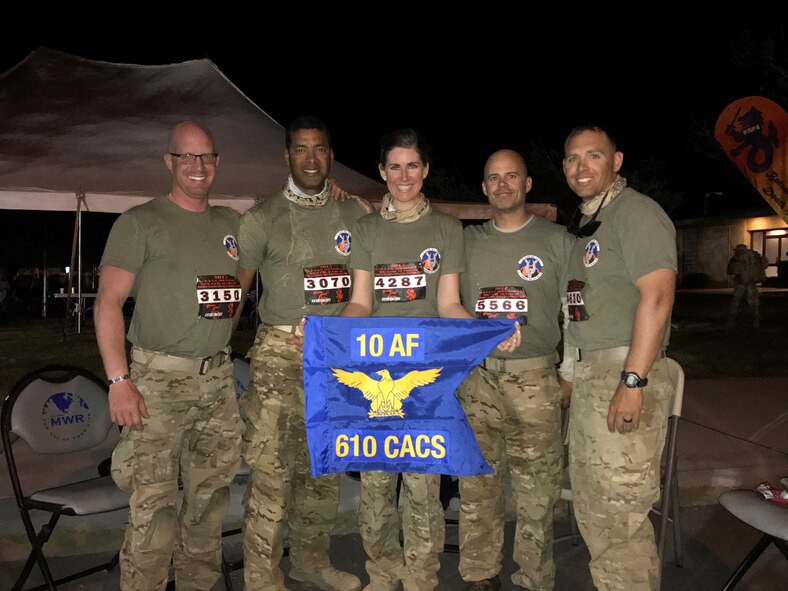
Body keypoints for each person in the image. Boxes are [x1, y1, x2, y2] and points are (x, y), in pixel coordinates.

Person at [341, 129, 520, 591]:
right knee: (378, 488)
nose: (404, 176)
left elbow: (448, 305)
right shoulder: (365, 230)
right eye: (394, 166)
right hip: (377, 375)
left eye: (413, 166)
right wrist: (328, 332)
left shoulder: (445, 228)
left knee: (423, 489)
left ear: (425, 171)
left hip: (427, 380)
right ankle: (382, 571)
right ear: (382, 172)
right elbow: (360, 304)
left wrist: (487, 331)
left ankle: (421, 577)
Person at [94, 120, 244, 590]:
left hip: (217, 382)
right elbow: (108, 304)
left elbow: (252, 272)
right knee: (154, 508)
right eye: (187, 156)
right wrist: (119, 381)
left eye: (207, 157)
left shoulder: (232, 224)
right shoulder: (139, 222)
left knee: (209, 503)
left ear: (217, 163)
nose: (198, 166)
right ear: (169, 161)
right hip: (157, 383)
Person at [236, 115, 369, 591]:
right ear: (286, 156)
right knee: (272, 473)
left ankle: (309, 561)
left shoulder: (355, 215)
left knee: (323, 469)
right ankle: (262, 577)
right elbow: (234, 296)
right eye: (300, 149)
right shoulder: (261, 218)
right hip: (279, 355)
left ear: (330, 156)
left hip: (337, 353)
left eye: (319, 149)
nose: (310, 159)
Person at [559, 123, 677, 591]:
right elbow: (578, 310)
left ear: (617, 161)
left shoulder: (637, 213)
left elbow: (659, 298)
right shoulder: (589, 224)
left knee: (620, 514)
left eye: (593, 156)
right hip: (592, 375)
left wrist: (632, 383)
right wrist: (570, 375)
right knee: (594, 508)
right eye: (571, 158)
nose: (580, 167)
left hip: (625, 374)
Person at [457, 149, 574, 591]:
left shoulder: (559, 241)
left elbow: (578, 312)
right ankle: (480, 575)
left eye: (512, 176)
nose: (502, 184)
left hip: (537, 380)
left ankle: (534, 578)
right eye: (493, 177)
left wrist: (570, 376)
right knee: (477, 486)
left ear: (527, 184)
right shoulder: (465, 243)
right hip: (479, 380)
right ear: (484, 187)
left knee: (537, 493)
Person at [727, 243, 767, 328]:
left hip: (741, 283)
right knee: (754, 303)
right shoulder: (755, 255)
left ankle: (731, 320)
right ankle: (756, 321)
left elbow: (732, 270)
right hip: (752, 283)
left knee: (735, 301)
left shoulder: (738, 256)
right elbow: (764, 264)